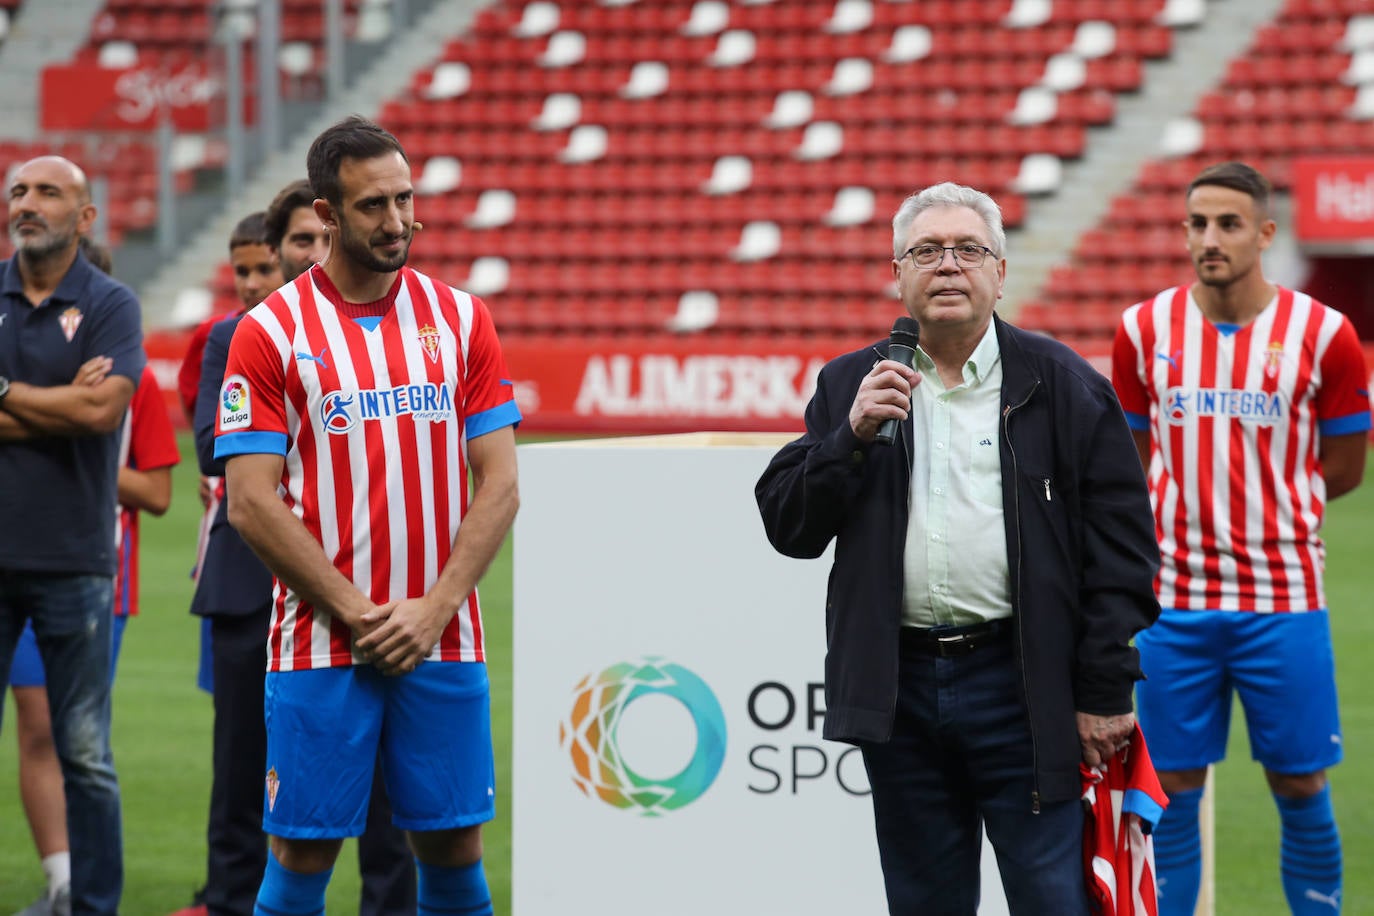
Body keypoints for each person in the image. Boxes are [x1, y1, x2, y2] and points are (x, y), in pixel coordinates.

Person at [756, 181, 1161, 915]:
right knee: (924, 902)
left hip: (1025, 685)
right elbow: (791, 527)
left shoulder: (1064, 384)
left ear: (999, 272)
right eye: (926, 251)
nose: (948, 265)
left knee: (1052, 899)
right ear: (898, 273)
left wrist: (1105, 690)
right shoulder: (853, 381)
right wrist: (849, 438)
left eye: (968, 249)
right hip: (900, 690)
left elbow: (1122, 553)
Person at [215, 116, 520, 915]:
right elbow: (249, 499)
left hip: (444, 633)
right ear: (326, 214)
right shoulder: (269, 332)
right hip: (320, 638)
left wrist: (436, 608)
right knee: (302, 852)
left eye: (405, 199)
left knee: (454, 847)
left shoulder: (461, 319)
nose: (398, 221)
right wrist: (358, 612)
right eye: (374, 205)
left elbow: (502, 482)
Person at [1111, 161, 1371, 916]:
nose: (1209, 239)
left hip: (1283, 599)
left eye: (1227, 224)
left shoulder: (1325, 334)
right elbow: (1134, 463)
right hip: (1171, 603)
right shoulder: (1143, 330)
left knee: (1299, 783)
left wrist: (1271, 511)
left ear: (1265, 233)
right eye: (1197, 223)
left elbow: (1346, 468)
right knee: (1171, 789)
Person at [8, 239, 179, 916]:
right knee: (36, 724)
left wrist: (77, 445)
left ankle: (84, 890)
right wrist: (61, 418)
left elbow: (160, 492)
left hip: (94, 570)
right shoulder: (21, 364)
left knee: (77, 736)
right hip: (16, 556)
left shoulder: (135, 389)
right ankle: (62, 878)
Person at [0, 155, 145, 915]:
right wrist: (56, 402)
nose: (28, 203)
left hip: (76, 563)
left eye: (48, 192)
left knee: (85, 755)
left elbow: (102, 414)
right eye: (19, 191)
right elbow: (76, 410)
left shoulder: (111, 303)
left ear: (85, 218)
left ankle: (93, 908)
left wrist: (4, 394)